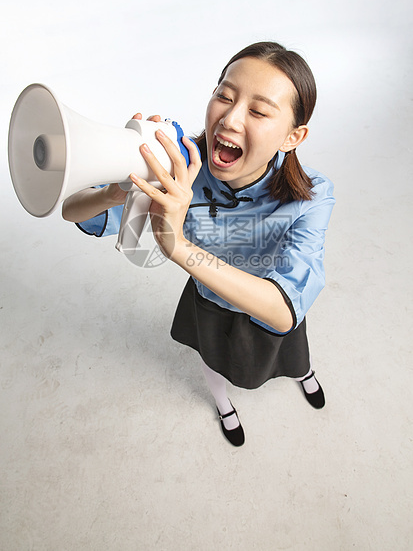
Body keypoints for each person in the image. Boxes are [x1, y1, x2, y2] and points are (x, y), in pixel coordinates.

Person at [62, 41, 335, 447]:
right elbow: (72, 211)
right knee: (213, 360)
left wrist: (178, 247)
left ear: (293, 137)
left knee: (292, 354)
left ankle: (304, 374)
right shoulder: (180, 171)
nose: (229, 118)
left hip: (264, 306)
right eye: (224, 96)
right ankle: (224, 406)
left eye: (258, 111)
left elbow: (281, 313)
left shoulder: (313, 194)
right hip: (208, 302)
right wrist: (122, 185)